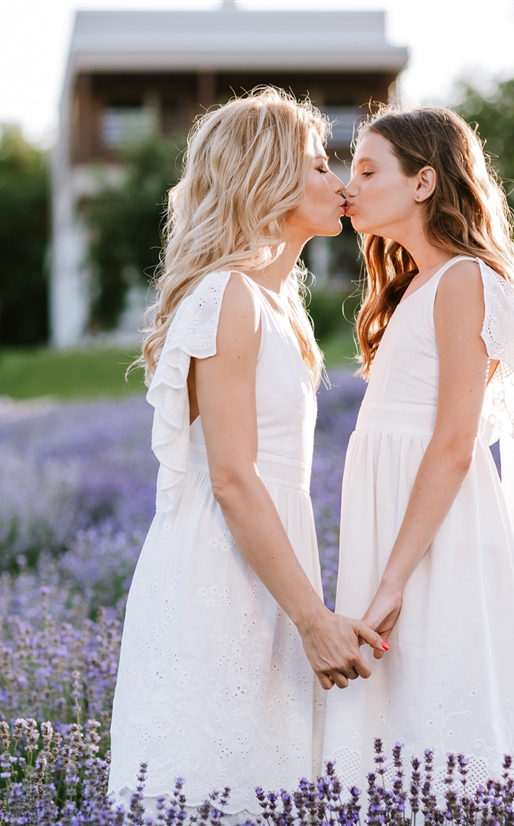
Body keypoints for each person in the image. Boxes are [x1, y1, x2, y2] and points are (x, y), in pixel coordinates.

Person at [107, 88, 385, 819]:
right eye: (317, 166)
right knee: (217, 782)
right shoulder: (227, 297)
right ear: (267, 180)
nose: (338, 181)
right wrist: (314, 620)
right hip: (223, 569)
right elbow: (231, 478)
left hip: (265, 559)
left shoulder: (271, 303)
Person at [321, 107, 514, 798]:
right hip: (398, 525)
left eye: (366, 170)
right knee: (395, 719)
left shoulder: (465, 281)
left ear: (423, 182)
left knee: (440, 706)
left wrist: (392, 580)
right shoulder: (413, 286)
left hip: (436, 534)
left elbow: (454, 443)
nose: (347, 186)